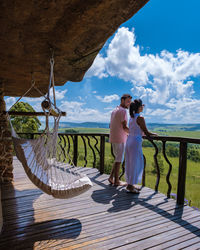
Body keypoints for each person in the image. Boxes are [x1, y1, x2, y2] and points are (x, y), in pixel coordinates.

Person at [125, 99, 157, 193]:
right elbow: (146, 132)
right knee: (135, 163)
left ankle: (130, 184)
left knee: (130, 163)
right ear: (139, 107)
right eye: (142, 105)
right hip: (135, 142)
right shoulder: (140, 118)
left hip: (129, 140)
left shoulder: (131, 118)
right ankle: (130, 186)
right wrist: (154, 134)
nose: (143, 107)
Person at [108, 94, 132, 186]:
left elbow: (111, 125)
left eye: (130, 102)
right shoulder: (123, 111)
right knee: (119, 160)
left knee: (117, 158)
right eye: (128, 101)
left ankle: (111, 177)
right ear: (122, 100)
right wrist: (133, 133)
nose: (129, 104)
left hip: (113, 137)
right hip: (120, 138)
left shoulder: (114, 110)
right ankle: (117, 181)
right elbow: (125, 127)